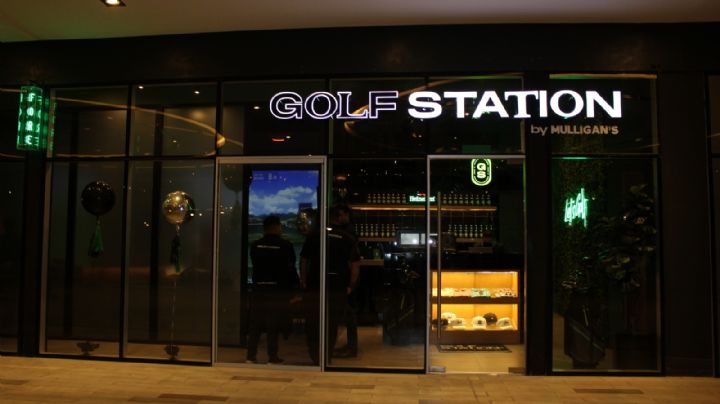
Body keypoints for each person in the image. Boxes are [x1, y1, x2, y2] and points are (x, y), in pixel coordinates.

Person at [246, 215, 297, 364]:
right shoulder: (286, 245)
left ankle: (250, 356)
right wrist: (294, 289)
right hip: (276, 289)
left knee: (255, 324)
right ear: (276, 226)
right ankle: (272, 357)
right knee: (273, 325)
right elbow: (290, 269)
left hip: (259, 288)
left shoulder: (255, 245)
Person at [326, 204, 361, 361]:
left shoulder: (343, 233)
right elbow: (355, 261)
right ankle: (349, 347)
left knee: (346, 314)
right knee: (348, 313)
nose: (343, 217)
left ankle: (348, 347)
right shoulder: (348, 233)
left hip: (341, 280)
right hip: (345, 279)